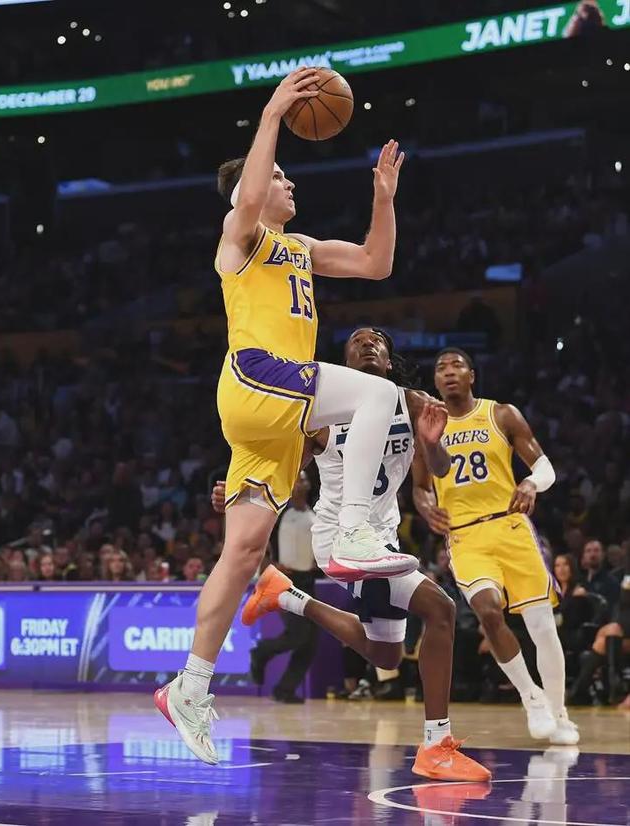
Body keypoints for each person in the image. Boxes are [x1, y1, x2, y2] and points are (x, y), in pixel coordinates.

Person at [154, 69, 414, 763]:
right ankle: (354, 530)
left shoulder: (300, 249)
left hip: (274, 417)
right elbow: (247, 196)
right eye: (278, 177)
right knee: (379, 395)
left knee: (242, 553)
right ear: (251, 188)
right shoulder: (237, 238)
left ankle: (189, 687)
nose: (290, 183)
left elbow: (376, 263)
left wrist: (383, 199)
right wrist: (271, 113)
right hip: (256, 377)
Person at [213, 328, 490, 782]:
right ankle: (436, 746)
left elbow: (439, 469)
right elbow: (283, 472)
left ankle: (285, 596)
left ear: (389, 359)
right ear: (344, 364)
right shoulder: (323, 412)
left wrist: (432, 442)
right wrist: (238, 490)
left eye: (376, 340)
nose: (367, 344)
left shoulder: (413, 403)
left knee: (386, 657)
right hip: (339, 539)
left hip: (382, 542)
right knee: (440, 609)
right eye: (356, 342)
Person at [412, 348, 578, 745]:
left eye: (456, 366)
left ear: (471, 375)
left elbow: (544, 466)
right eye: (441, 368)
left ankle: (560, 713)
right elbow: (420, 487)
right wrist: (427, 508)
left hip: (511, 527)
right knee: (488, 611)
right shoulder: (428, 427)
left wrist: (530, 483)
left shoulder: (501, 414)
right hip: (466, 536)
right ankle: (531, 697)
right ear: (435, 382)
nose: (449, 372)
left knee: (542, 627)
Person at [249, 471, 318, 704]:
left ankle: (284, 689)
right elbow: (260, 542)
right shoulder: (278, 513)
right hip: (285, 580)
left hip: (308, 579)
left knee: (310, 643)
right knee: (297, 634)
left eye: (304, 479)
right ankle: (261, 652)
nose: (301, 482)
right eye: (297, 478)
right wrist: (268, 567)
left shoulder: (314, 514)